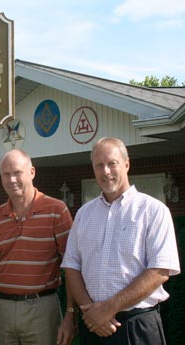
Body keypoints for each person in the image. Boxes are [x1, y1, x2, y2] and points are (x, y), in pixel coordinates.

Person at [61, 137, 181, 344]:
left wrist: (108, 309)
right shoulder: (83, 214)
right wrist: (90, 311)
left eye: (112, 163)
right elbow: (71, 266)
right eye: (99, 165)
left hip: (137, 326)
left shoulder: (153, 210)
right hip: (92, 326)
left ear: (126, 164)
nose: (105, 171)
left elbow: (160, 271)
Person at [0, 149, 76, 345]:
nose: (11, 179)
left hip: (42, 309)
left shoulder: (56, 211)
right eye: (6, 174)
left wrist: (70, 314)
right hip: (1, 310)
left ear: (32, 172)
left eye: (17, 172)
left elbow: (72, 265)